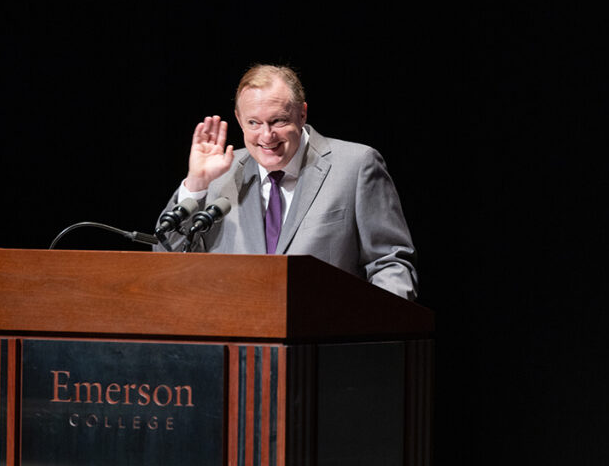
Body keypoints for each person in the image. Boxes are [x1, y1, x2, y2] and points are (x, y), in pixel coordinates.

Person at [154, 64, 418, 300]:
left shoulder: (356, 166)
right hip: (236, 342)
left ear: (302, 114)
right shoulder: (219, 172)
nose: (266, 136)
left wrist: (376, 333)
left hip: (325, 343)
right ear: (238, 119)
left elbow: (389, 262)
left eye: (278, 121)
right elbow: (168, 261)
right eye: (254, 123)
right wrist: (196, 184)